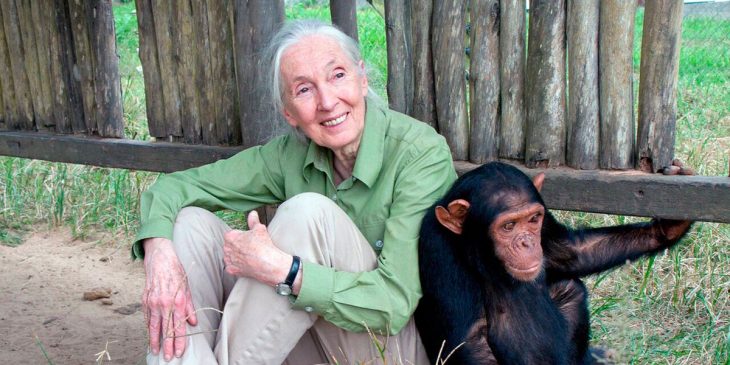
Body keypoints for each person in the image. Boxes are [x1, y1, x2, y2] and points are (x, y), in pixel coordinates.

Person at [134, 19, 457, 365]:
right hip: (313, 342)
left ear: (362, 78)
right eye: (304, 90)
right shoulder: (289, 154)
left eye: (337, 76)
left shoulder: (420, 153)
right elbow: (175, 187)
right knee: (188, 225)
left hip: (390, 349)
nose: (327, 102)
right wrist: (158, 255)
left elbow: (392, 305)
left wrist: (286, 271)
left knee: (307, 215)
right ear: (288, 112)